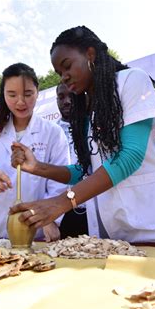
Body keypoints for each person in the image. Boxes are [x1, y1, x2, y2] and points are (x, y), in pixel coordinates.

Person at [10, 26, 155, 246]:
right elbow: (86, 170)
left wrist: (61, 202)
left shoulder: (132, 80)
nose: (64, 77)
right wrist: (37, 167)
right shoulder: (86, 109)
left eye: (67, 66)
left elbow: (130, 156)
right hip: (120, 231)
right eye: (59, 73)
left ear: (90, 54)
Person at [0, 63, 68, 241]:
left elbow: (59, 181)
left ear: (37, 92)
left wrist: (51, 217)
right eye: (12, 95)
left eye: (28, 94)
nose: (20, 102)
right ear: (3, 95)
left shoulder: (52, 133)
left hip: (35, 229)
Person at [56, 83, 88, 238]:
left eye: (71, 96)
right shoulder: (51, 133)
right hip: (61, 210)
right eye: (61, 97)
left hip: (92, 207)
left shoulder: (93, 127)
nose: (66, 101)